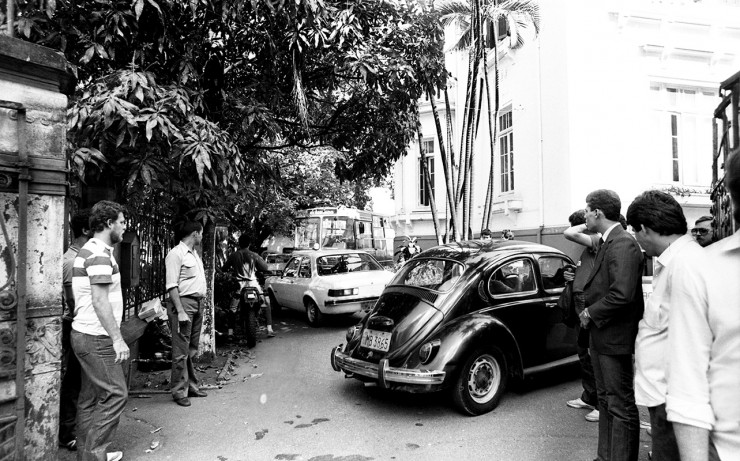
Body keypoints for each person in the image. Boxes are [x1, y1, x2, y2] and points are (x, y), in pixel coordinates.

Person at [666, 151, 740, 461]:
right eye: (694, 231)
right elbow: (688, 386)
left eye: (702, 231)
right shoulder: (702, 269)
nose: (698, 236)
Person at [626, 190, 702, 461]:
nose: (636, 239)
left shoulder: (686, 266)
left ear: (644, 229)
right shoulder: (672, 262)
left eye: (635, 232)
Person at [581, 189, 644, 461]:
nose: (584, 214)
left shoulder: (623, 243)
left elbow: (622, 294)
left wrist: (590, 313)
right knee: (606, 401)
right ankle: (605, 457)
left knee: (620, 405)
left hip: (613, 337)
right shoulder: (610, 242)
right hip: (603, 337)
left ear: (598, 213)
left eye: (586, 210)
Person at [71, 201, 129, 461]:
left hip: (85, 334)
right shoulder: (99, 254)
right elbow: (99, 301)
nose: (125, 227)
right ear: (109, 224)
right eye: (122, 222)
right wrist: (117, 339)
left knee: (90, 397)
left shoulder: (91, 250)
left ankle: (89, 454)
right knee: (117, 393)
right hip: (97, 338)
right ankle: (94, 456)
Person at [562, 209, 600, 423]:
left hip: (586, 301)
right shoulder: (588, 249)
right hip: (580, 299)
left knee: (591, 352)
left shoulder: (596, 239)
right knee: (583, 352)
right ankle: (589, 396)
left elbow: (570, 232)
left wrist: (586, 224)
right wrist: (572, 276)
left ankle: (599, 404)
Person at [165, 220, 208, 407]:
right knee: (180, 350)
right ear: (195, 234)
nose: (202, 236)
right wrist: (180, 311)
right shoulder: (176, 254)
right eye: (201, 233)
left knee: (191, 348)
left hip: (197, 304)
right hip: (184, 304)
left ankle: (190, 385)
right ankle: (178, 391)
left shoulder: (194, 254)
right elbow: (171, 286)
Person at [59, 209, 91, 452]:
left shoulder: (82, 256)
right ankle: (68, 432)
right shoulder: (73, 260)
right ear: (85, 230)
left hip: (80, 323)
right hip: (75, 323)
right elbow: (72, 301)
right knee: (73, 378)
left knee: (80, 377)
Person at [221, 234, 275, 337]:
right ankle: (269, 329)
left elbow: (224, 268)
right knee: (266, 303)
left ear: (239, 243)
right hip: (253, 284)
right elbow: (265, 267)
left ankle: (230, 333)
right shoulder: (254, 255)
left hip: (239, 285)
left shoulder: (234, 255)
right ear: (249, 244)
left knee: (232, 308)